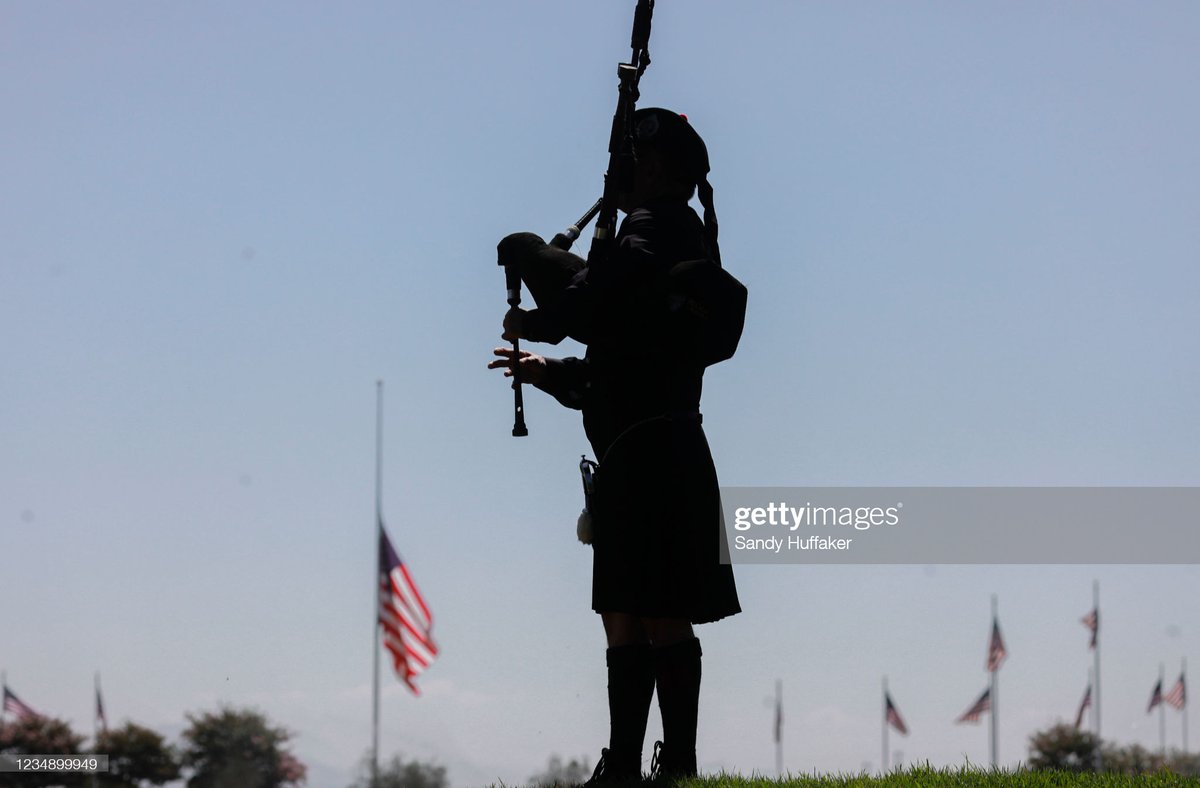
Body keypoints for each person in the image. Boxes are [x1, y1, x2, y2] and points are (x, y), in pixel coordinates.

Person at [488, 108, 741, 783]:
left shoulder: (658, 232)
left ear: (655, 168)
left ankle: (677, 765)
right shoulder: (653, 242)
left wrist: (538, 320)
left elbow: (595, 298)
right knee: (623, 616)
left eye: (633, 162)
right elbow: (617, 365)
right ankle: (624, 766)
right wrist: (546, 374)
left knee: (659, 614)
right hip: (639, 455)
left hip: (658, 458)